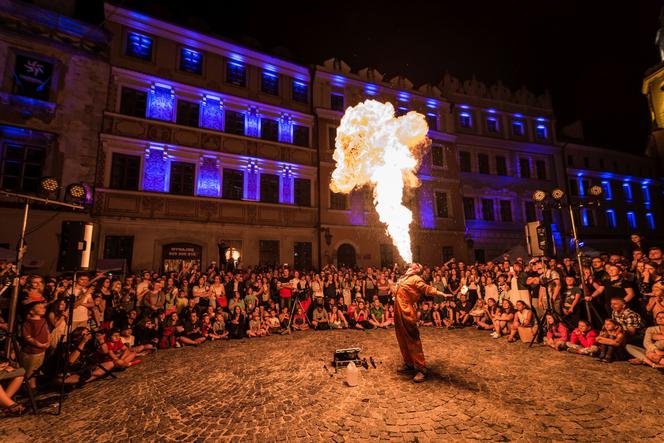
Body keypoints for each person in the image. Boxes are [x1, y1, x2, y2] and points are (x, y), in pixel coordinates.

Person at [393, 263, 447, 383]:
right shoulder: (404, 277)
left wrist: (440, 293)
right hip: (398, 311)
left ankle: (421, 369)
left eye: (415, 265)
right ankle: (409, 363)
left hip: (407, 311)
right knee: (401, 338)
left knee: (412, 340)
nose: (411, 264)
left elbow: (426, 289)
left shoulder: (416, 278)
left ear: (417, 269)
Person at [19, 301, 50, 389]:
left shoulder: (43, 320)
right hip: (32, 352)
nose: (43, 308)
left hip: (42, 350)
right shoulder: (28, 323)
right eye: (39, 307)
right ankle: (27, 387)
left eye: (43, 307)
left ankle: (33, 385)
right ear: (31, 311)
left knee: (37, 368)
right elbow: (28, 337)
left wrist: (48, 341)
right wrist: (39, 344)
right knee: (30, 370)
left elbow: (47, 331)